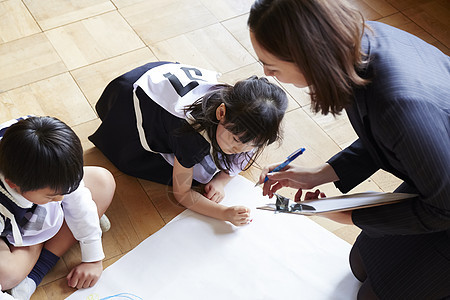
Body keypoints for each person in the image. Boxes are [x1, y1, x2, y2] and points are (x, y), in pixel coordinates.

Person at [249, 0, 450, 299]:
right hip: (440, 174)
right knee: (360, 263)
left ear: (309, 57)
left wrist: (349, 216)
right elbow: (389, 136)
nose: (266, 73)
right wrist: (321, 173)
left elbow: (442, 210)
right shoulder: (362, 42)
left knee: (368, 294)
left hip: (444, 203)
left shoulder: (399, 103)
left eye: (272, 65)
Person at [89, 61, 288, 227]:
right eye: (237, 140)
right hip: (129, 103)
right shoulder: (191, 135)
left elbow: (244, 146)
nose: (240, 150)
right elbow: (182, 193)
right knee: (194, 175)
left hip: (157, 76)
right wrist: (224, 213)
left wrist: (221, 180)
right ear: (220, 113)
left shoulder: (238, 103)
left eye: (253, 145)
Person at [0, 116, 115, 299]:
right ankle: (45, 240)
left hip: (34, 204)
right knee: (6, 274)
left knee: (103, 182)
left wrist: (93, 259)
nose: (61, 197)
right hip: (8, 227)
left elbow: (78, 202)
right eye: (52, 195)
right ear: (12, 184)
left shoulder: (36, 138)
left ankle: (34, 274)